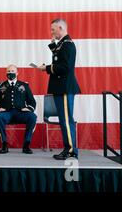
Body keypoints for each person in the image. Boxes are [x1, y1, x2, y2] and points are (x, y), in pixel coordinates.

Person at [38, 19, 81, 160]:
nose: (51, 32)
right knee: (64, 120)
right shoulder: (62, 44)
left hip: (64, 88)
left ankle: (70, 151)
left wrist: (47, 68)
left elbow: (65, 67)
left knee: (66, 120)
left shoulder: (67, 45)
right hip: (60, 87)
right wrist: (52, 46)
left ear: (61, 27)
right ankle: (68, 148)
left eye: (53, 29)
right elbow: (59, 57)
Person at [0, 65, 37, 154]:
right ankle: (4, 144)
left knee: (32, 117)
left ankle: (26, 144)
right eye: (8, 71)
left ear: (17, 73)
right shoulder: (0, 85)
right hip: (6, 113)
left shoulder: (24, 85)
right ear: (6, 73)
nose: (10, 73)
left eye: (12, 71)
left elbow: (32, 102)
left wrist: (28, 108)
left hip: (20, 113)